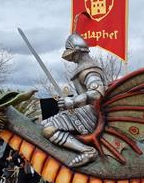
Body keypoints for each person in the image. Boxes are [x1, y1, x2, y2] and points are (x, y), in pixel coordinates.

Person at [41, 33, 106, 167]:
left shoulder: (88, 69)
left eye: (72, 55)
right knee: (42, 124)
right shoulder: (85, 68)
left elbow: (97, 93)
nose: (72, 59)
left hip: (90, 115)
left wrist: (72, 102)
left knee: (48, 129)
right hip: (84, 111)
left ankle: (87, 151)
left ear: (77, 52)